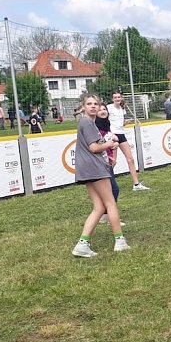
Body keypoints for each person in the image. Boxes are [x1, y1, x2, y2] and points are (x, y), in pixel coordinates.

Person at [71, 94, 130, 258]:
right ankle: (120, 241)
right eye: (89, 104)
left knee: (99, 207)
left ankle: (82, 243)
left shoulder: (87, 122)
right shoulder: (87, 123)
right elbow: (94, 147)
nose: (93, 106)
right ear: (83, 106)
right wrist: (110, 144)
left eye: (95, 104)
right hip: (94, 168)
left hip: (86, 169)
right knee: (110, 203)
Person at [107, 91, 149, 191]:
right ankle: (106, 184)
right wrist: (110, 134)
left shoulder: (122, 109)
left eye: (119, 97)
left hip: (121, 134)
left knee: (130, 159)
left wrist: (125, 122)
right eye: (115, 97)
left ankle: (136, 184)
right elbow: (105, 121)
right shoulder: (109, 108)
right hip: (113, 135)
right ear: (112, 99)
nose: (117, 99)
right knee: (113, 161)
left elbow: (120, 123)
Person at [95, 103, 124, 227]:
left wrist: (113, 151)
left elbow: (110, 141)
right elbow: (97, 145)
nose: (103, 111)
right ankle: (109, 216)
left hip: (107, 160)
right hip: (100, 163)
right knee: (113, 189)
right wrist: (113, 144)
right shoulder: (96, 127)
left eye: (104, 109)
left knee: (111, 190)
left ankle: (105, 215)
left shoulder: (106, 125)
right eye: (100, 110)